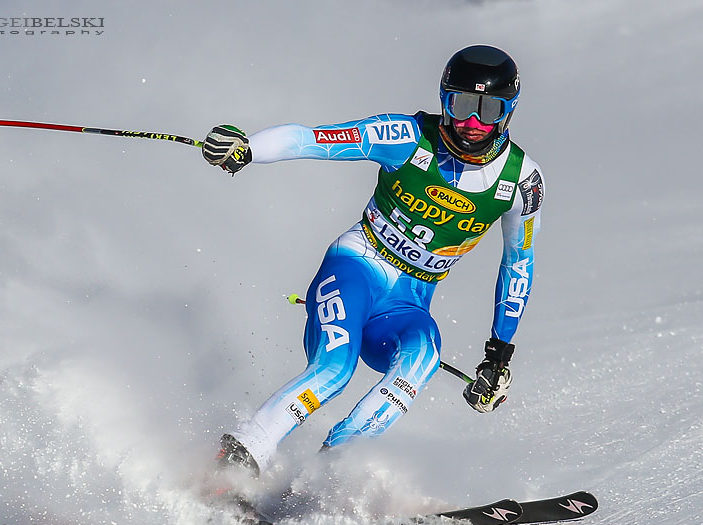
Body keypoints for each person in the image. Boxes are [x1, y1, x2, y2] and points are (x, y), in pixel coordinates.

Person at [203, 45, 544, 481]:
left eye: (488, 109)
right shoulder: (406, 135)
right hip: (356, 269)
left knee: (424, 352)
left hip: (406, 304)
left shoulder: (523, 181)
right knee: (334, 369)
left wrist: (498, 355)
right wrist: (249, 147)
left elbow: (518, 265)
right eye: (461, 105)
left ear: (508, 112)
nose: (472, 123)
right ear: (444, 100)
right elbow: (315, 139)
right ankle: (238, 458)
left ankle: (331, 473)